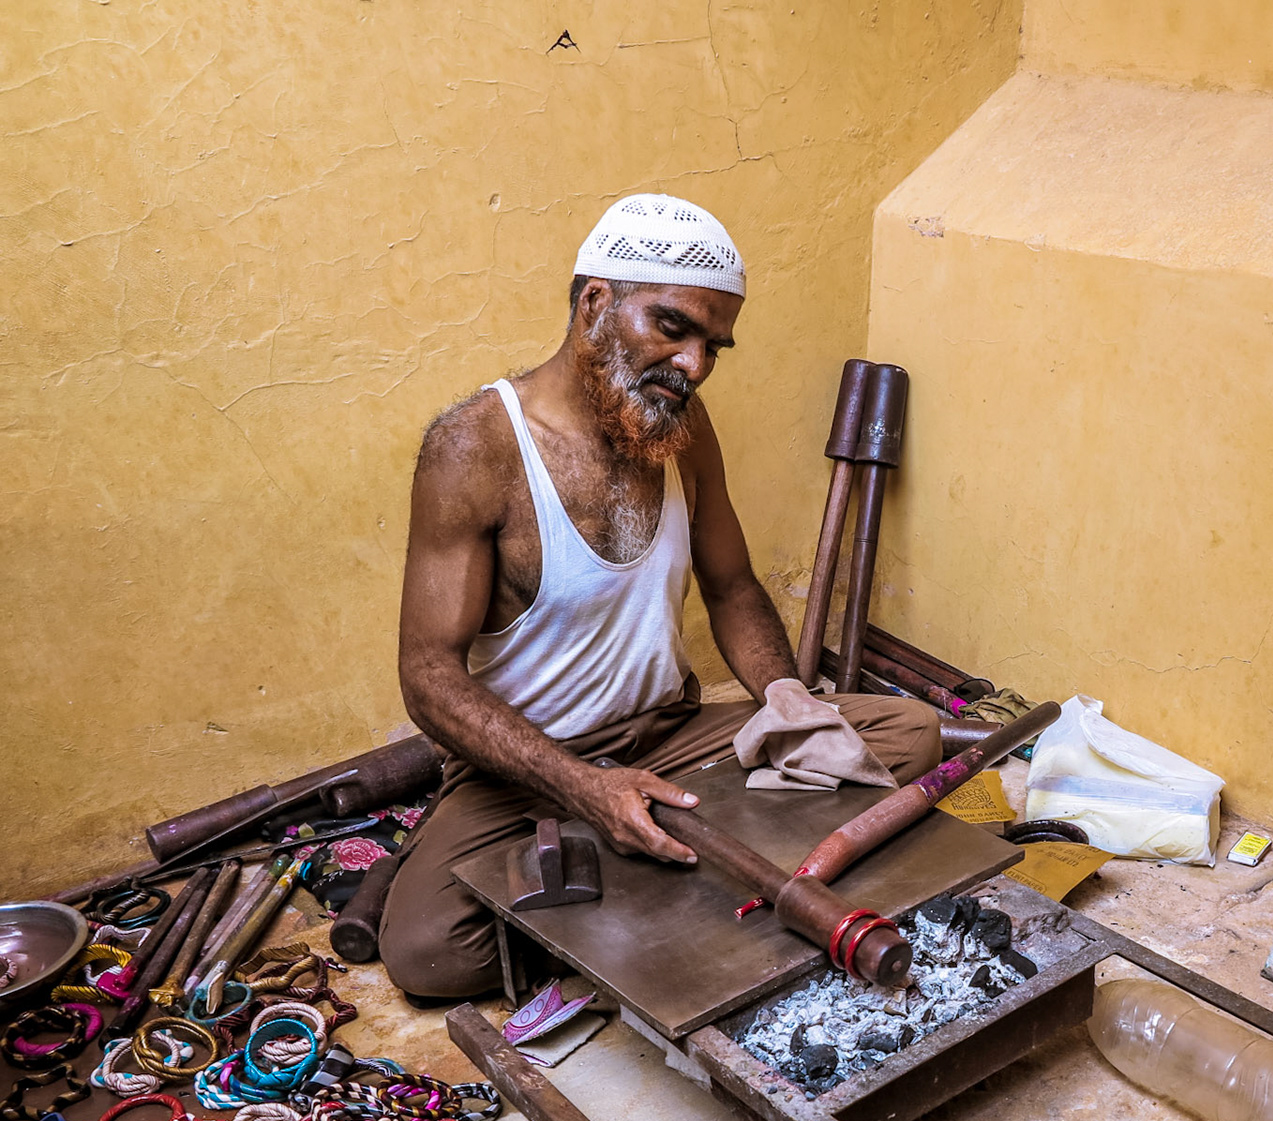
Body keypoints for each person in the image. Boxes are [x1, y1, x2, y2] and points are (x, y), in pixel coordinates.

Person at [382, 194, 939, 999]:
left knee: (907, 734)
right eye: (673, 328)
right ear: (595, 304)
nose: (695, 365)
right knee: (430, 952)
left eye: (714, 345)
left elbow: (733, 585)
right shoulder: (476, 446)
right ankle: (678, 856)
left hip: (671, 740)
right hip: (531, 772)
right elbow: (428, 675)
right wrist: (585, 788)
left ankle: (649, 852)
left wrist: (785, 695)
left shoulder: (681, 424)